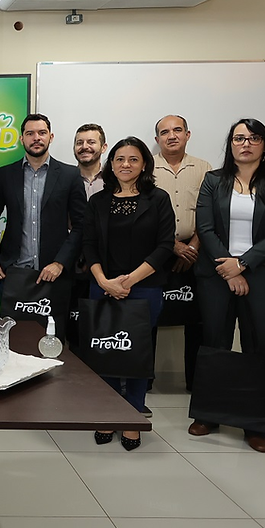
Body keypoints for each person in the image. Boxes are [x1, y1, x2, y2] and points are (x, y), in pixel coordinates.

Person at [188, 119, 265, 453]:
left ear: (264, 144)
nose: (245, 143)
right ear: (230, 145)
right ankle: (209, 415)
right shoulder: (213, 181)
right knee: (215, 341)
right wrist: (230, 269)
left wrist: (244, 263)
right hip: (218, 271)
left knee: (258, 343)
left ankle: (255, 424)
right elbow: (205, 228)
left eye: (253, 138)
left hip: (263, 272)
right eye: (238, 138)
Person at [82, 137, 175, 450]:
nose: (125, 165)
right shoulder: (98, 201)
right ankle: (107, 414)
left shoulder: (158, 199)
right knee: (105, 353)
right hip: (102, 286)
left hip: (145, 288)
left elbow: (165, 246)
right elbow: (89, 245)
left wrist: (129, 281)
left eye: (133, 159)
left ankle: (133, 416)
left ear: (144, 164)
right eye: (119, 159)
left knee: (135, 355)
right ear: (112, 164)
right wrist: (105, 281)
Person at [0, 113, 86, 335]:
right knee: (14, 340)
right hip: (14, 273)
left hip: (54, 272)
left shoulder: (70, 175)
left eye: (41, 133)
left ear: (51, 137)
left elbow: (81, 225)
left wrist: (60, 263)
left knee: (53, 341)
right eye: (30, 133)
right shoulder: (5, 174)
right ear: (22, 139)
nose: (36, 138)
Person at [152, 115, 213, 392]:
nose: (171, 136)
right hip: (156, 251)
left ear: (188, 134)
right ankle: (145, 381)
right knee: (149, 315)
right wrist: (172, 246)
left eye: (177, 130)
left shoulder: (204, 169)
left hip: (196, 250)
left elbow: (209, 214)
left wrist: (192, 248)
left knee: (197, 318)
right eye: (164, 132)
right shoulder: (146, 167)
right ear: (157, 140)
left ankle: (196, 383)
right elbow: (145, 213)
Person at [66, 123, 109, 351]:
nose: (85, 147)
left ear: (103, 147)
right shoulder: (64, 178)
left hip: (106, 266)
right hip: (70, 265)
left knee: (102, 328)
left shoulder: (115, 181)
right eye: (79, 142)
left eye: (91, 142)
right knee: (73, 327)